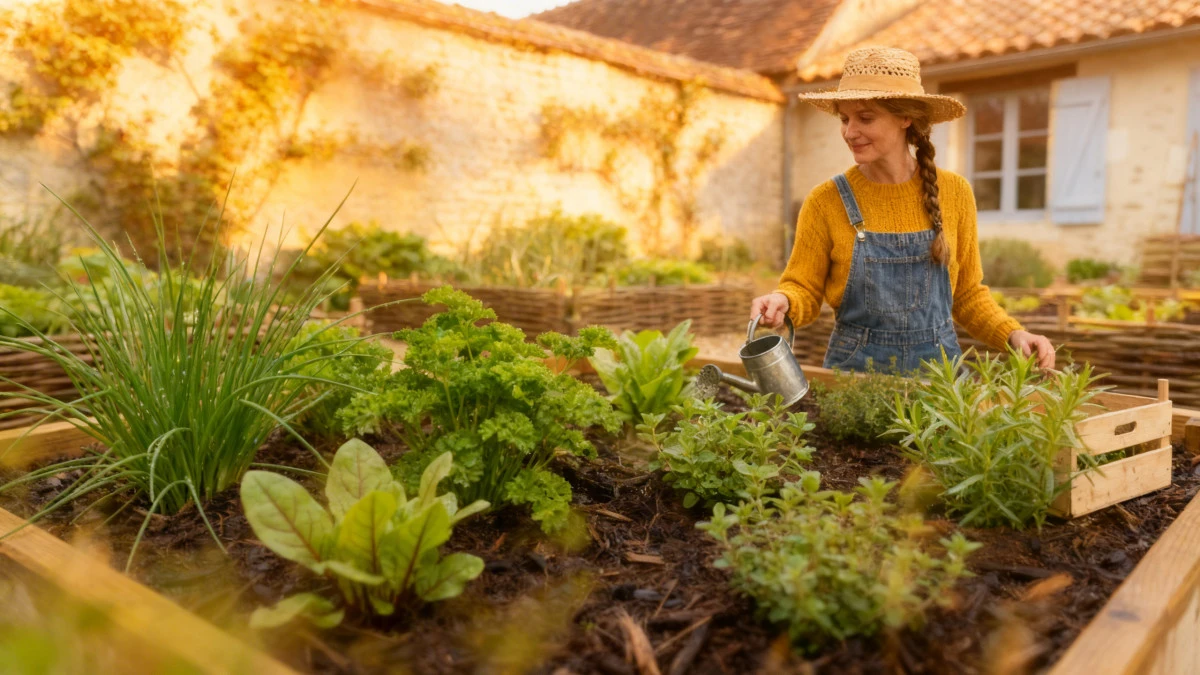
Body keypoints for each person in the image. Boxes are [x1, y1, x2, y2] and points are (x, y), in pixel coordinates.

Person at [750, 46, 1055, 373]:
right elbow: (804, 288)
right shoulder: (825, 200)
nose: (850, 132)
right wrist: (784, 301)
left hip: (939, 381)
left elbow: (967, 295)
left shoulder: (955, 193)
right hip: (855, 380)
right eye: (845, 119)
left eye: (865, 118)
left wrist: (1014, 334)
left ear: (905, 118)